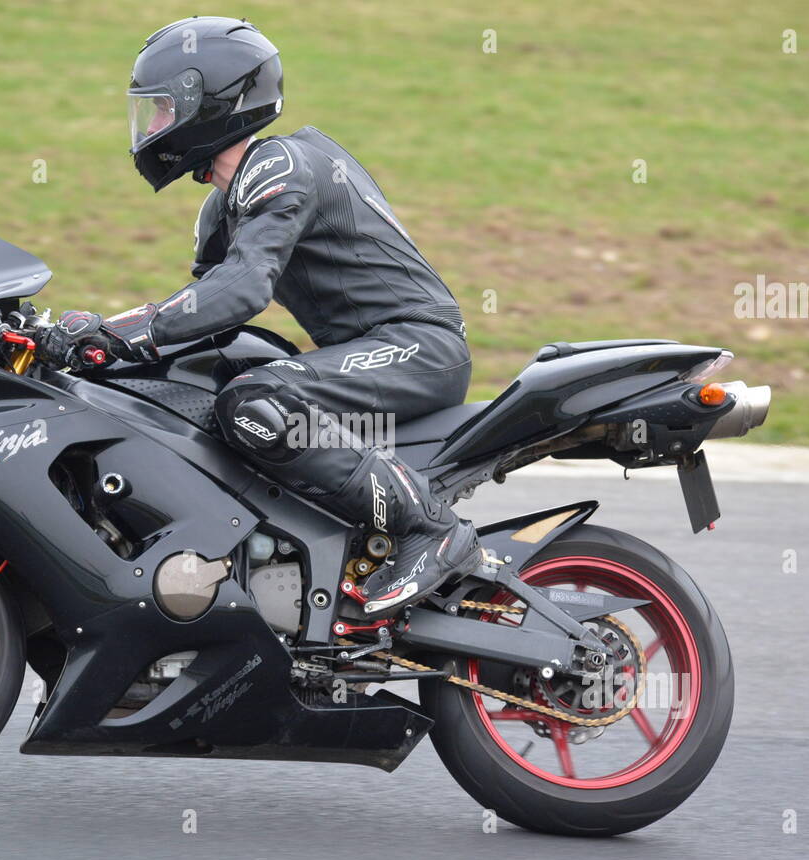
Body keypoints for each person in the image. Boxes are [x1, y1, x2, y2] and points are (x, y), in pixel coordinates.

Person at [36, 16, 479, 618]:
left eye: (165, 109)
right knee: (201, 386)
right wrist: (81, 342)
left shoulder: (281, 165)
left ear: (213, 102)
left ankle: (427, 527)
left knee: (255, 399)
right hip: (377, 349)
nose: (154, 126)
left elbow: (242, 291)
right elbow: (204, 315)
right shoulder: (225, 204)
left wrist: (121, 333)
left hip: (419, 347)